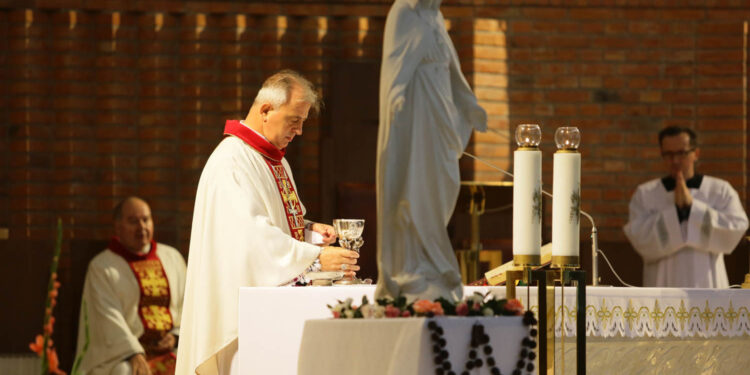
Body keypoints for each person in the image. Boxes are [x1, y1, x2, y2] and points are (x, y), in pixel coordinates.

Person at [175, 70, 360, 375]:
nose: (299, 131)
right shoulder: (231, 162)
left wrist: (309, 230)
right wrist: (316, 259)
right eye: (294, 120)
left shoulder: (275, 160)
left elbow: (275, 224)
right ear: (265, 111)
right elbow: (249, 239)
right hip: (238, 319)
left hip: (269, 308)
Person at [375, 0, 487, 301]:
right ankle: (413, 266)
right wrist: (396, 96)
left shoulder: (435, 16)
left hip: (440, 113)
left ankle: (433, 263)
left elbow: (452, 68)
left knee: (443, 183)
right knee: (415, 187)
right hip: (416, 117)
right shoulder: (403, 13)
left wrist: (469, 105)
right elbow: (395, 64)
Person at [623, 126, 748, 288]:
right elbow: (641, 239)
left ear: (696, 153)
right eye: (668, 154)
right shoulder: (645, 194)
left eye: (681, 153)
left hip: (708, 286)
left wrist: (691, 208)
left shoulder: (720, 190)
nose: (675, 160)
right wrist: (678, 213)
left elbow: (736, 229)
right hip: (662, 288)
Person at [75, 197, 187, 375]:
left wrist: (175, 336)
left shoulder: (171, 258)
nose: (141, 227)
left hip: (170, 349)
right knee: (125, 372)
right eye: (133, 221)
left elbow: (188, 305)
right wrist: (133, 352)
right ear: (118, 227)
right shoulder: (103, 266)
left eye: (146, 220)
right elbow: (108, 319)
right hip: (124, 354)